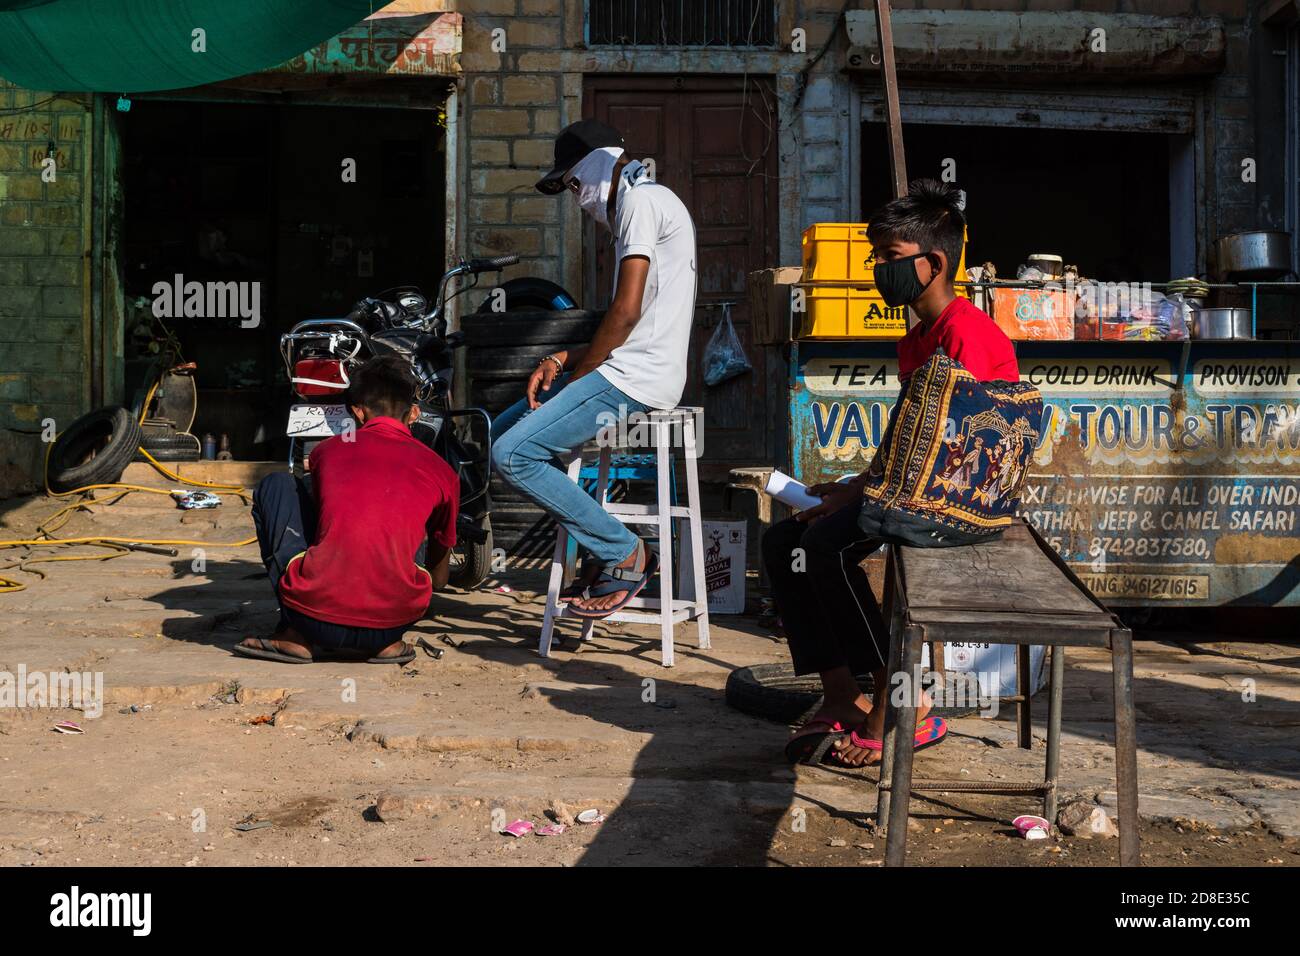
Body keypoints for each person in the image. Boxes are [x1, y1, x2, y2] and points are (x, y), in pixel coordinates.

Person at [763, 179, 1018, 767]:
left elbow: (962, 447)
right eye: (876, 257)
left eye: (890, 258)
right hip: (916, 490)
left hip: (959, 502)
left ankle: (902, 698)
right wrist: (851, 488)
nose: (879, 268)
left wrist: (862, 498)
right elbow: (912, 437)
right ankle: (841, 695)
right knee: (783, 541)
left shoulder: (966, 334)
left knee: (825, 545)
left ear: (933, 264)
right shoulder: (918, 337)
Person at [491, 119, 698, 620]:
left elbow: (624, 313)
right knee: (498, 426)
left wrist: (577, 378)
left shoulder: (641, 202)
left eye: (575, 184)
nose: (577, 198)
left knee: (513, 453)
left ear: (599, 166)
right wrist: (564, 360)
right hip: (628, 367)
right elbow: (634, 319)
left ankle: (625, 552)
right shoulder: (643, 203)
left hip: (637, 379)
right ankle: (598, 546)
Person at [235, 355, 459, 664]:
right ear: (414, 414)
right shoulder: (442, 470)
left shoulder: (326, 453)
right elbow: (440, 579)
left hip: (311, 617)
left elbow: (324, 523)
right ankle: (386, 644)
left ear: (357, 411)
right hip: (393, 622)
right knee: (409, 518)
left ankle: (294, 636)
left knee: (277, 485)